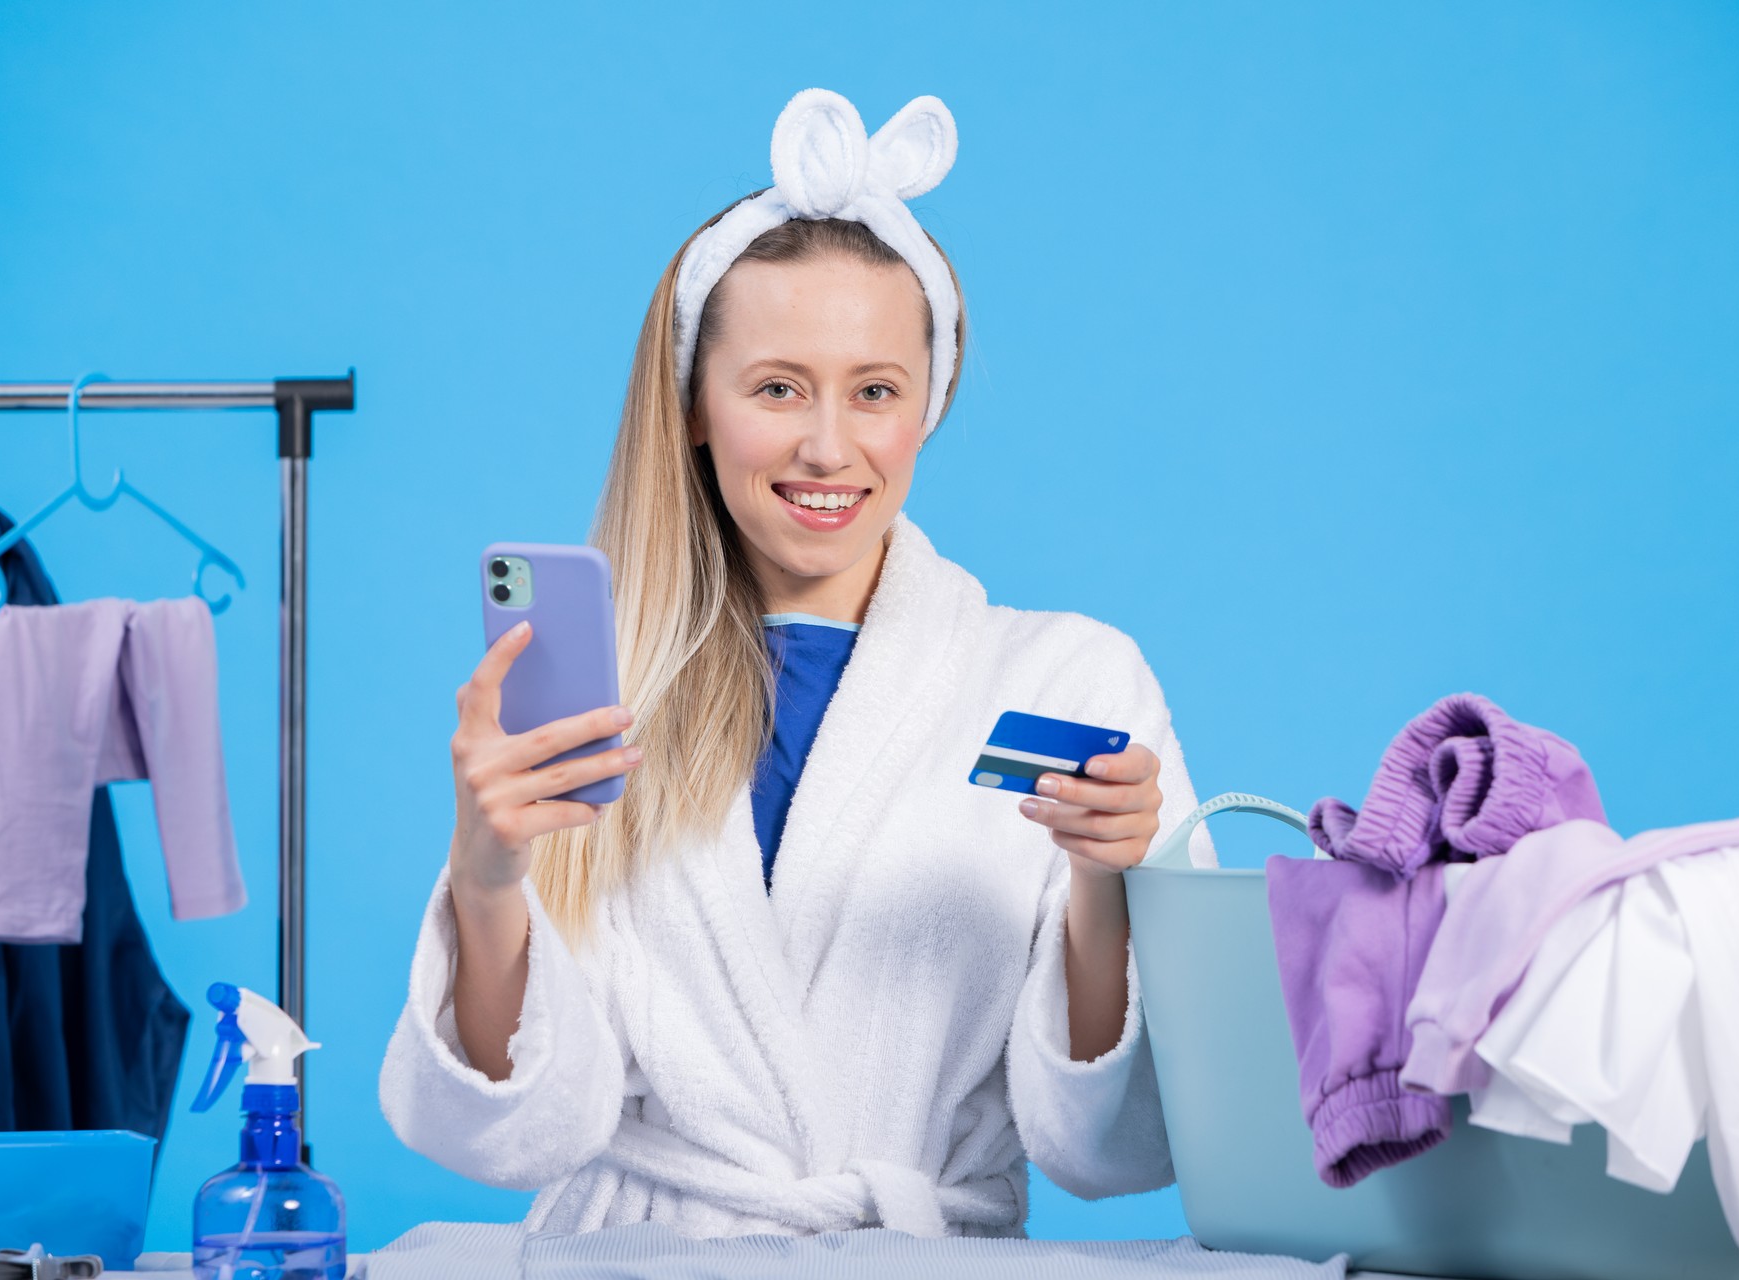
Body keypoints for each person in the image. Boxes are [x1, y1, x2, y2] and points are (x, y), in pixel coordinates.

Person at [379, 88, 1216, 1238]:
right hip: (635, 1262)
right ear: (694, 408)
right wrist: (486, 876)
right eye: (778, 387)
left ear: (928, 406)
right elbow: (511, 1129)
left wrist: (1106, 882)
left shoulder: (1064, 679)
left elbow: (1113, 1144)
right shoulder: (593, 692)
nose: (830, 446)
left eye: (876, 391)